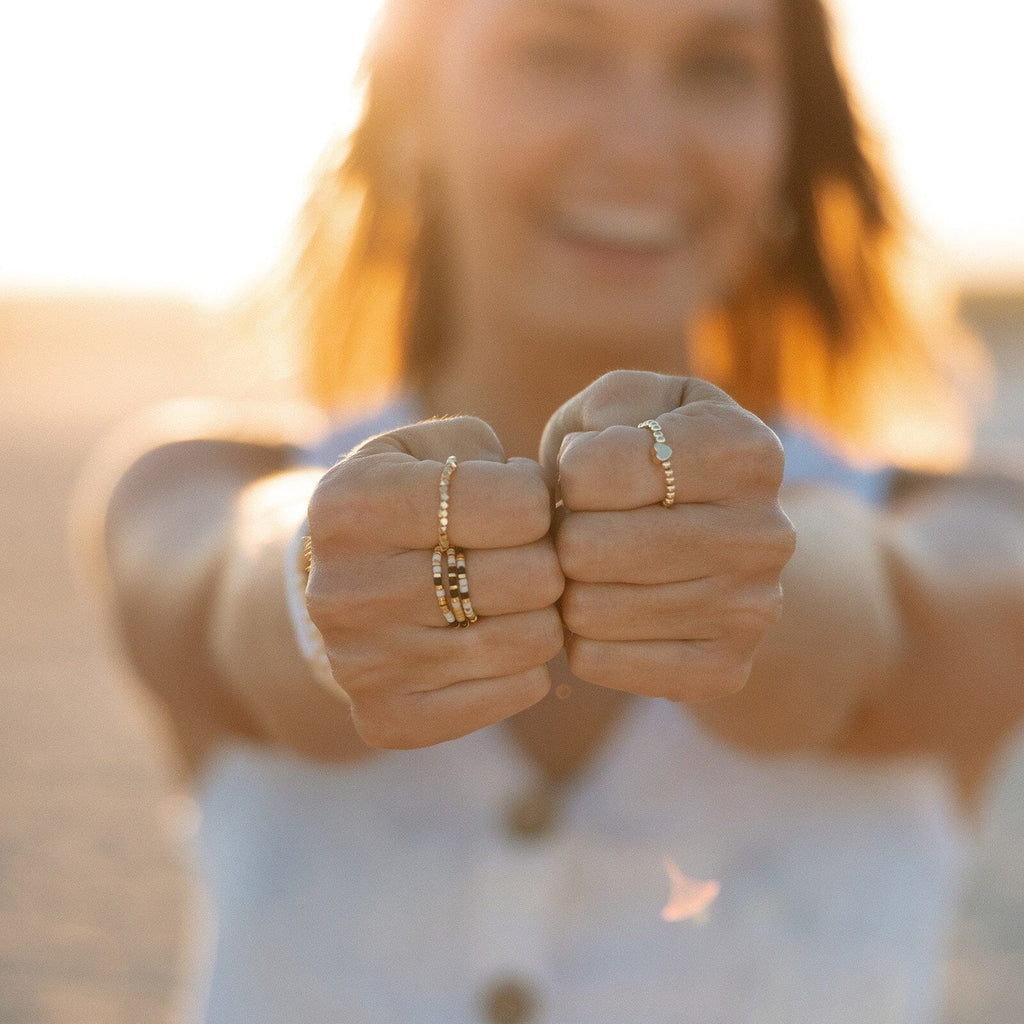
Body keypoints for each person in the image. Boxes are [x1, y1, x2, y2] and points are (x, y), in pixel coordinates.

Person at [80, 0, 1024, 1020]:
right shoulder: (187, 486)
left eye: (716, 67)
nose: (637, 146)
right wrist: (323, 574)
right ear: (406, 107)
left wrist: (768, 572)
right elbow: (233, 594)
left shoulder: (977, 523)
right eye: (555, 52)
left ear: (788, 135)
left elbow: (889, 624)